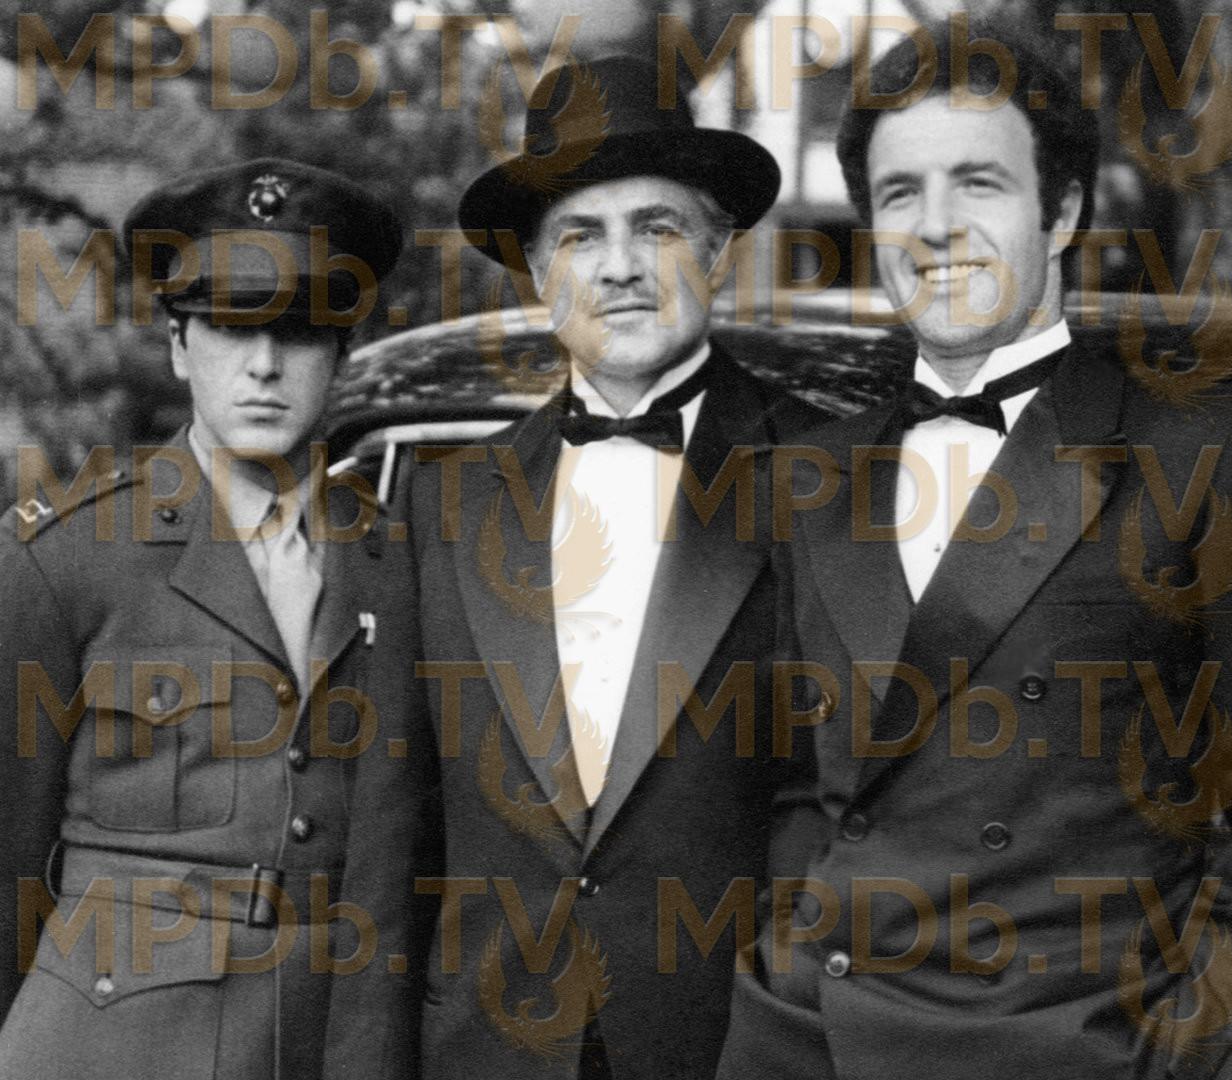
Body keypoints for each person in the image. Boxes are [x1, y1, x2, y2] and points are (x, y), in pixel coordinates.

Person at [715, 31, 1232, 1080]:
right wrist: (791, 964)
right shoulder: (810, 476)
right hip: (810, 1038)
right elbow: (797, 785)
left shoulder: (1209, 449)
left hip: (1076, 1042)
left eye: (979, 183)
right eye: (901, 194)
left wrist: (1177, 1047)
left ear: (1061, 214)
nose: (936, 226)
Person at [407, 53, 824, 1080]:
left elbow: (852, 810)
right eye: (580, 236)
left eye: (658, 228)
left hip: (733, 1046)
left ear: (718, 248)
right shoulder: (443, 501)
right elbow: (395, 829)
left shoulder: (833, 479)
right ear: (536, 270)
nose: (621, 266)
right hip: (487, 1048)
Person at [0, 158, 422, 1079]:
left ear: (343, 351)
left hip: (330, 1044)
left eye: (300, 332)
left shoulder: (402, 563)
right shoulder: (67, 557)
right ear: (180, 345)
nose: (264, 366)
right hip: (113, 1050)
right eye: (231, 327)